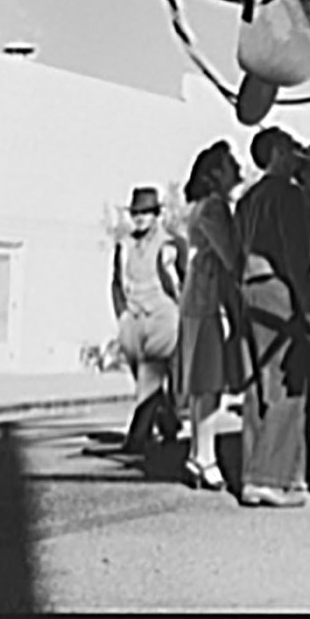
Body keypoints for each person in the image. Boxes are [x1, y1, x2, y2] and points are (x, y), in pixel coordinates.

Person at [232, 127, 310, 508]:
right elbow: (296, 257)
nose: (295, 155)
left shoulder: (246, 200)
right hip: (278, 292)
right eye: (289, 148)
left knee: (256, 388)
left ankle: (273, 473)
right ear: (275, 153)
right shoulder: (289, 196)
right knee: (289, 384)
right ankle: (269, 477)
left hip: (247, 290)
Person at [179, 141, 243, 491]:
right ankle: (206, 456)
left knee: (204, 384)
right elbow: (231, 256)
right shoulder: (215, 208)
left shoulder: (202, 207)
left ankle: (197, 454)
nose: (236, 169)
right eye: (229, 164)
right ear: (215, 173)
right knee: (209, 383)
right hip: (210, 301)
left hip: (199, 299)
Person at [108, 186, 182, 455]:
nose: (140, 217)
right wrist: (122, 314)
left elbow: (183, 279)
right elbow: (115, 283)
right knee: (141, 376)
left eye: (146, 212)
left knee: (150, 376)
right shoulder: (124, 246)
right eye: (136, 212)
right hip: (133, 317)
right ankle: (168, 422)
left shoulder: (170, 244)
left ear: (156, 215)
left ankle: (136, 438)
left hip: (163, 315)